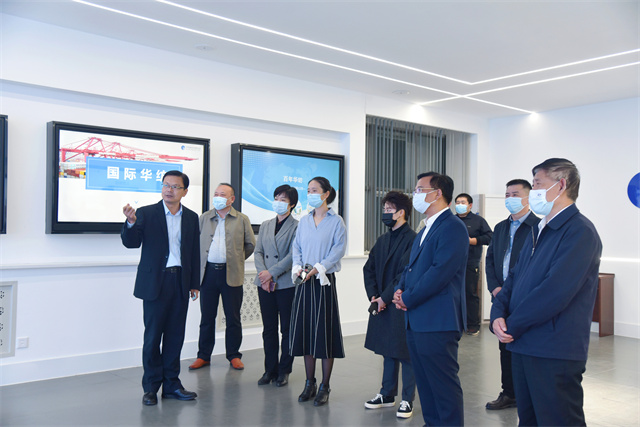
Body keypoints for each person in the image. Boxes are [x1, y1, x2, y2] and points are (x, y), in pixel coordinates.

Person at [491, 158, 602, 426]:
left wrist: (512, 325)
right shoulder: (538, 230)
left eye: (538, 184)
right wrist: (497, 314)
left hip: (554, 350)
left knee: (557, 420)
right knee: (528, 419)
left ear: (561, 185)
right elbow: (514, 278)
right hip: (523, 345)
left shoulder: (580, 232)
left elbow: (554, 292)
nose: (534, 191)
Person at [393, 172, 468, 426]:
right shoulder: (426, 228)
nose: (415, 194)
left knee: (443, 384)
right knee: (425, 383)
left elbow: (440, 273)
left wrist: (408, 298)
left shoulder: (453, 227)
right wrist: (400, 289)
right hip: (417, 319)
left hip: (438, 319)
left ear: (437, 193)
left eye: (420, 189)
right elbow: (411, 267)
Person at [121, 170, 200, 406]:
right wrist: (130, 223)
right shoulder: (146, 213)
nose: (169, 190)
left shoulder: (191, 217)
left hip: (180, 281)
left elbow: (194, 252)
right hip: (155, 282)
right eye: (166, 185)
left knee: (175, 336)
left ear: (185, 191)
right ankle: (151, 388)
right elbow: (131, 243)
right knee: (153, 337)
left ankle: (172, 385)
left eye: (175, 186)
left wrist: (194, 283)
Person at [290, 176, 346, 407]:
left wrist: (318, 268)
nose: (310, 194)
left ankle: (325, 386)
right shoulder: (304, 220)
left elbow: (338, 250)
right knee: (306, 333)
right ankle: (309, 383)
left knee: (324, 334)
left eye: (314, 190)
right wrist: (298, 267)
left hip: (323, 282)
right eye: (308, 190)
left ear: (326, 193)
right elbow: (296, 247)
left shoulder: (336, 221)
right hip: (304, 281)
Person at [484, 179, 540, 411]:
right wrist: (495, 287)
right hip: (501, 297)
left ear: (528, 197)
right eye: (507, 195)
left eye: (515, 194)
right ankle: (509, 393)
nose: (510, 199)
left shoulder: (538, 227)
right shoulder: (500, 227)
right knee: (504, 346)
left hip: (524, 298)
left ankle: (530, 393)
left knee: (526, 346)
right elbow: (490, 260)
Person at [189, 183, 256, 371]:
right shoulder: (204, 218)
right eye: (216, 193)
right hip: (208, 273)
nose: (218, 197)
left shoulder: (241, 219)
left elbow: (250, 244)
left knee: (233, 317)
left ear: (231, 199)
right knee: (207, 318)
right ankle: (203, 356)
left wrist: (236, 260)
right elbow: (195, 244)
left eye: (222, 194)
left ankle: (234, 355)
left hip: (231, 273)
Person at [362, 191, 417, 419]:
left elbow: (404, 274)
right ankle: (387, 394)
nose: (385, 213)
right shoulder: (382, 240)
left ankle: (407, 399)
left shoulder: (413, 239)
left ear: (401, 212)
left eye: (389, 210)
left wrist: (384, 299)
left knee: (405, 353)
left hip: (401, 302)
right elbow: (369, 268)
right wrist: (374, 296)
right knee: (388, 350)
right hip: (382, 302)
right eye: (384, 209)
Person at [253, 184, 299, 387]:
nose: (278, 203)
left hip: (286, 284)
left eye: (283, 200)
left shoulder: (297, 226)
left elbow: (293, 255)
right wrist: (264, 275)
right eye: (276, 198)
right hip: (265, 284)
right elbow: (258, 252)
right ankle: (269, 370)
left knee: (287, 329)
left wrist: (271, 273)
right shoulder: (265, 225)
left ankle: (284, 370)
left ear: (292, 204)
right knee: (269, 329)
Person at [455, 193, 493, 335]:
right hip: (452, 263)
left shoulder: (478, 221)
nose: (460, 205)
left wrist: (473, 241)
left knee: (470, 293)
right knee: (454, 293)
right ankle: (457, 322)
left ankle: (472, 324)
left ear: (470, 205)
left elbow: (490, 237)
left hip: (470, 262)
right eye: (457, 202)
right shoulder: (452, 220)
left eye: (463, 202)